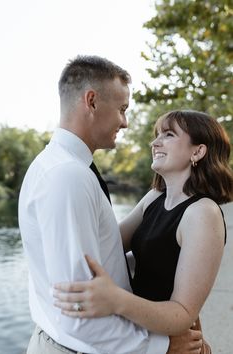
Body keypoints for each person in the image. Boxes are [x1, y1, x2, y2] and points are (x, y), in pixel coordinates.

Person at [19, 56, 201, 354]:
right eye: (122, 109)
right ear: (91, 101)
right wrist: (163, 346)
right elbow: (79, 313)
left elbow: (101, 256)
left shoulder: (58, 166)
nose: (125, 122)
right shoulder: (68, 176)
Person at [53, 110, 233, 348]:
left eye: (168, 135)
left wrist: (115, 300)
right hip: (141, 338)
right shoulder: (155, 197)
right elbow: (109, 243)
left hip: (172, 342)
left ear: (198, 151)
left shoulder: (202, 213)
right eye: (157, 135)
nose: (155, 142)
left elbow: (182, 313)